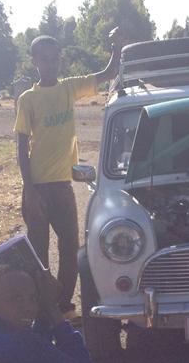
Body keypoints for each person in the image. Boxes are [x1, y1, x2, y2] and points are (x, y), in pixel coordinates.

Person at [15, 28, 123, 313]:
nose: (51, 64)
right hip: (37, 187)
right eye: (45, 59)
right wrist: (29, 189)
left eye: (55, 59)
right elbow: (21, 147)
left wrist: (116, 45)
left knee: (70, 249)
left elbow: (109, 73)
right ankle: (40, 307)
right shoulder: (27, 100)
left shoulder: (69, 88)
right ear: (35, 61)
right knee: (39, 254)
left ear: (60, 61)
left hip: (63, 186)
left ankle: (63, 305)